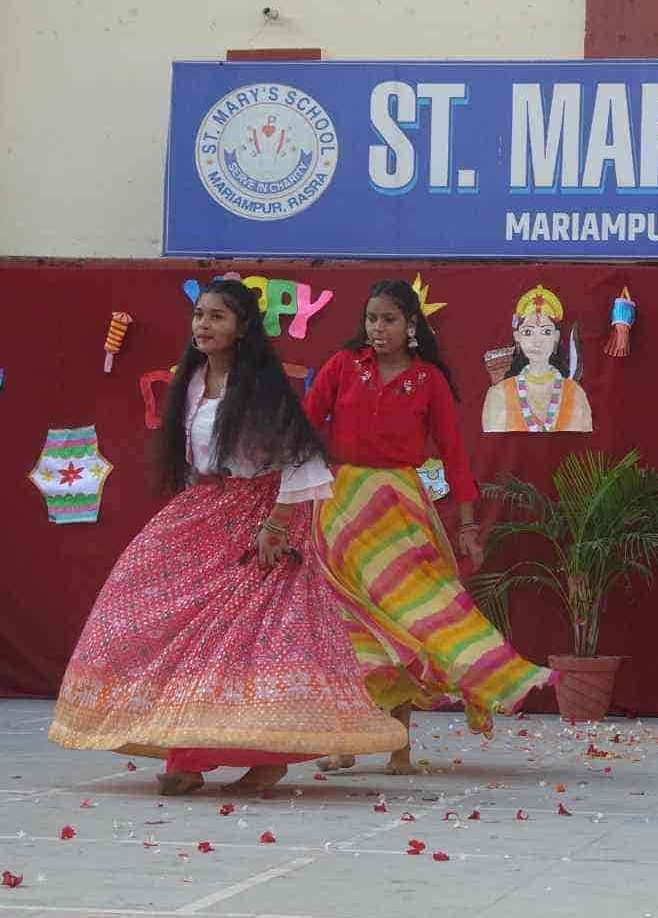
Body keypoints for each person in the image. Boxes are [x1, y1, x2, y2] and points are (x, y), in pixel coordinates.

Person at [49, 280, 404, 796]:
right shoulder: (192, 381)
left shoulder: (259, 386)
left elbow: (302, 459)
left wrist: (276, 526)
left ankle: (221, 760)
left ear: (242, 328)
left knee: (237, 640)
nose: (203, 325)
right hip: (206, 509)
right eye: (199, 314)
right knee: (137, 600)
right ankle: (189, 749)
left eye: (217, 316)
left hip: (261, 518)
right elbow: (196, 460)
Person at [305, 280, 557, 773]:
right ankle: (345, 738)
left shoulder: (428, 380)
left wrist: (468, 526)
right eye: (372, 319)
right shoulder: (343, 365)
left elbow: (455, 456)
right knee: (347, 625)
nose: (378, 328)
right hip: (341, 507)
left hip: (398, 511)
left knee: (407, 622)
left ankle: (399, 744)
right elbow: (305, 425)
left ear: (411, 325)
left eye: (389, 320)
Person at [480, 285, 592, 433]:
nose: (537, 341)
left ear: (556, 337)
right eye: (528, 332)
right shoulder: (499, 394)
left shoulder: (575, 393)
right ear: (517, 337)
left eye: (546, 332)